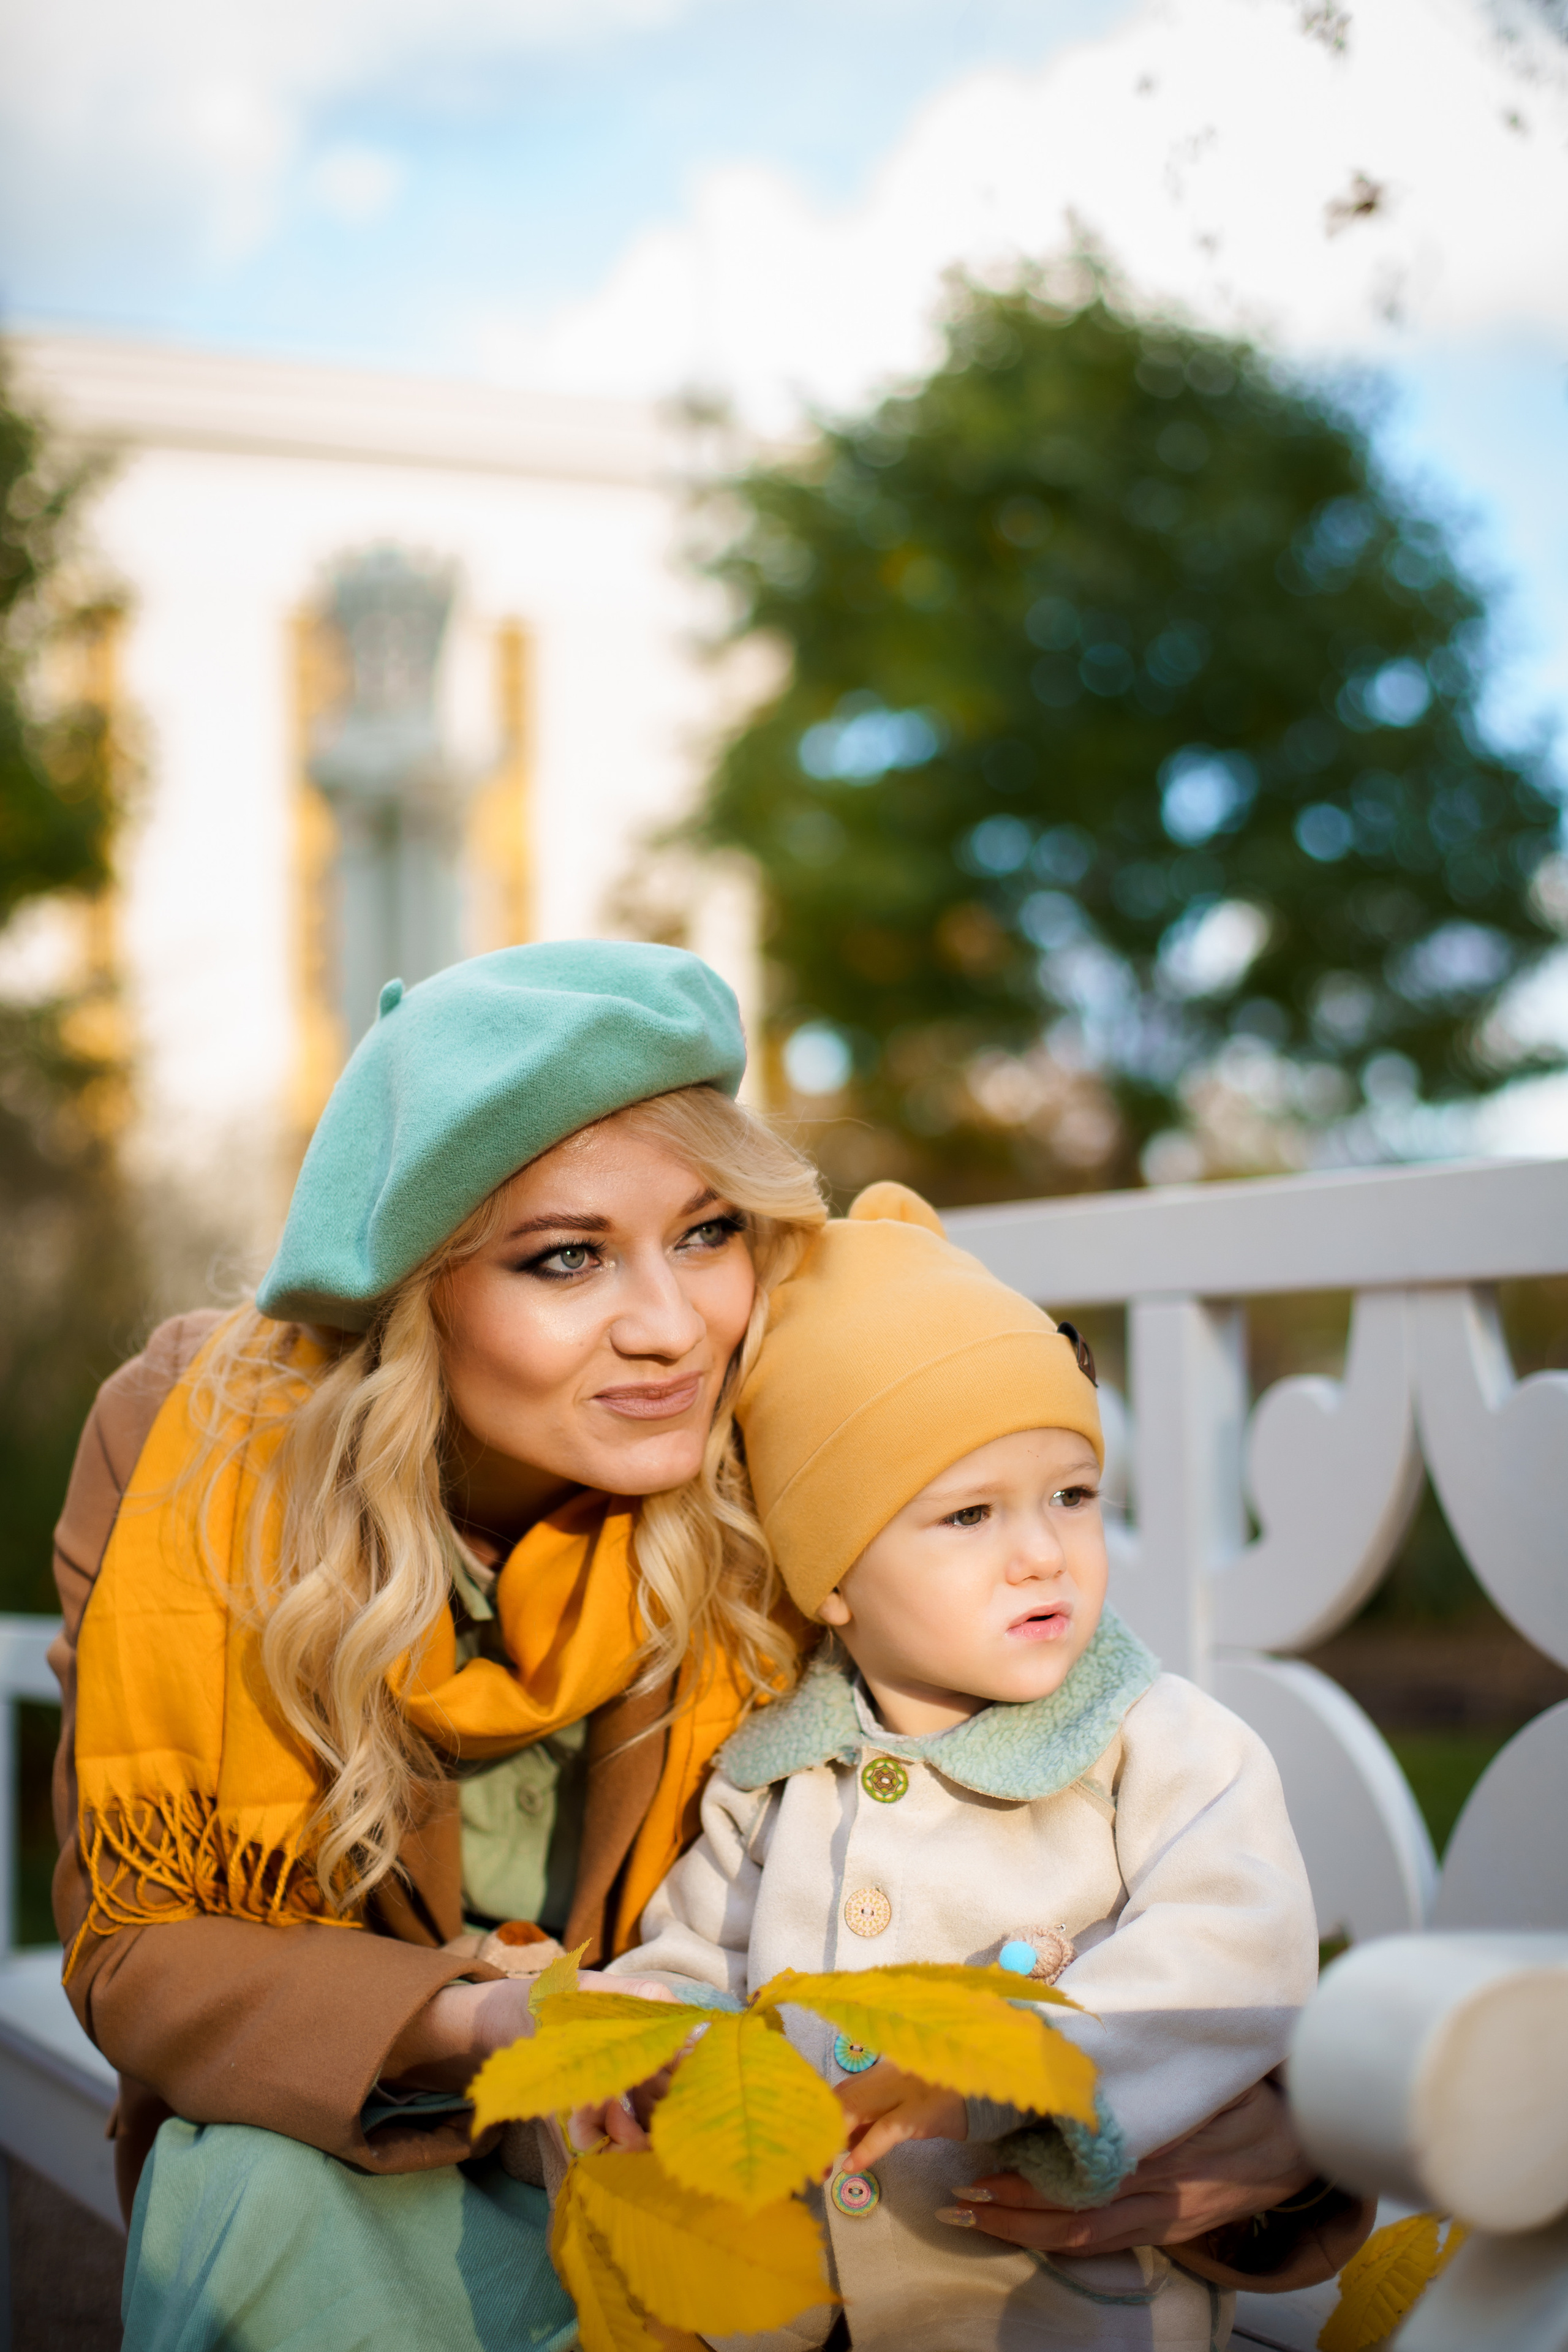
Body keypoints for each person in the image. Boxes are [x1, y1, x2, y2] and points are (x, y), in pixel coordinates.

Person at [48, 943, 1366, 2352]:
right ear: (411, 1290)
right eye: (565, 1257)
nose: (673, 1328)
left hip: (738, 2180)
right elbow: (147, 1949)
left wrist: (1282, 2129)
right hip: (384, 2129)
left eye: (705, 1232)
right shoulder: (206, 1454)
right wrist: (505, 2027)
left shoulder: (786, 1435)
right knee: (254, 2196)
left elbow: (1085, 1794)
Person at [601, 1182, 1362, 2350]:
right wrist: (654, 2055)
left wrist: (1012, 2065)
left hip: (1059, 2312)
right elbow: (694, 1960)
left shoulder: (1156, 1744)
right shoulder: (774, 1782)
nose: (1040, 1553)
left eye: (1072, 1496)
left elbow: (1235, 1951)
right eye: (969, 1517)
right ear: (832, 1577)